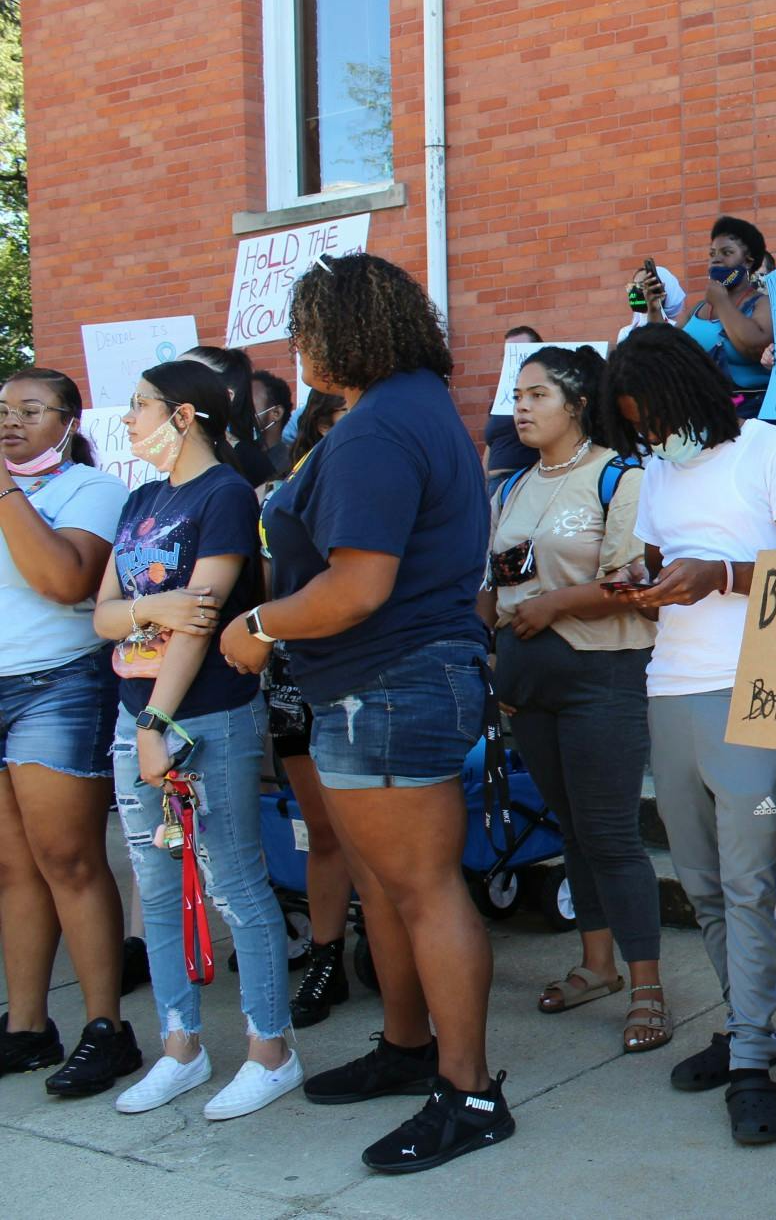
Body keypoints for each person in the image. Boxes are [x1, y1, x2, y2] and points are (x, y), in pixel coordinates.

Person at [218, 252, 509, 1174]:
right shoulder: (406, 405)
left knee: (425, 889)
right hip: (378, 682)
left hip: (390, 679)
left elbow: (358, 584)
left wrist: (259, 623)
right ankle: (406, 1045)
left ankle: (467, 1093)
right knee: (389, 885)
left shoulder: (381, 427)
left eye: (307, 334)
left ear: (344, 332)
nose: (299, 353)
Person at [604, 324, 776, 1144]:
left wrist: (725, 577)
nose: (653, 437)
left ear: (691, 389)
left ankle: (748, 1061)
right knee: (701, 882)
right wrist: (647, 583)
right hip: (671, 684)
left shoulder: (770, 451)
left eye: (656, 418)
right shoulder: (657, 474)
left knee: (749, 882)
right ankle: (750, 1027)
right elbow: (675, 562)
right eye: (638, 426)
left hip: (756, 687)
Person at [90, 361, 298, 1118]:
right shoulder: (142, 500)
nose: (128, 419)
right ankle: (181, 1043)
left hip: (203, 713)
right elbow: (104, 616)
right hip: (133, 711)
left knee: (232, 881)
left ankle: (270, 1048)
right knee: (154, 881)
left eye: (139, 405)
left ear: (183, 415)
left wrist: (156, 723)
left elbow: (203, 617)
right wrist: (159, 605)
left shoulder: (226, 495)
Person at [481, 346, 664, 1054]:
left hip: (602, 677)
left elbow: (635, 582)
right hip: (529, 687)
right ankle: (598, 966)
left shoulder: (621, 476)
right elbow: (496, 584)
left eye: (537, 395)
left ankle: (647, 986)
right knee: (571, 830)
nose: (522, 408)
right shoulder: (510, 489)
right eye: (517, 396)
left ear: (576, 402)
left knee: (612, 832)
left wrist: (555, 604)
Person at [0, 369, 131, 1094]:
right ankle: (25, 1026)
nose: (10, 422)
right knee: (14, 867)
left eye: (29, 410)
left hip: (57, 685)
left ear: (69, 419)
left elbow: (64, 580)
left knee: (68, 858)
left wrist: (4, 490)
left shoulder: (91, 489)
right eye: (1, 411)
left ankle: (105, 1026)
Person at [265, 387, 356, 1030]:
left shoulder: (385, 476)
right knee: (323, 830)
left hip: (367, 671)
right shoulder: (282, 487)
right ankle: (328, 958)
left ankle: (391, 947)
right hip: (292, 669)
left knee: (379, 837)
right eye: (340, 417)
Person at [680, 217, 775, 419]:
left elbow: (755, 348)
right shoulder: (698, 309)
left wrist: (723, 303)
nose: (716, 259)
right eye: (712, 254)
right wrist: (653, 308)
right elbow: (667, 350)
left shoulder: (762, 303)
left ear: (748, 261)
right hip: (703, 416)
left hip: (752, 415)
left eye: (727, 253)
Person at [181, 346, 277, 487]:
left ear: (226, 395)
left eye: (187, 379)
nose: (173, 385)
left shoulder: (250, 462)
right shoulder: (165, 455)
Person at [482, 327, 544, 495]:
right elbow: (491, 444)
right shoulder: (501, 399)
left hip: (525, 484)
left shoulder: (545, 396)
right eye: (508, 354)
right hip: (495, 487)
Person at [249, 370, 294, 472]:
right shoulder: (239, 456)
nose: (242, 411)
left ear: (276, 413)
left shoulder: (288, 465)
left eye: (249, 405)